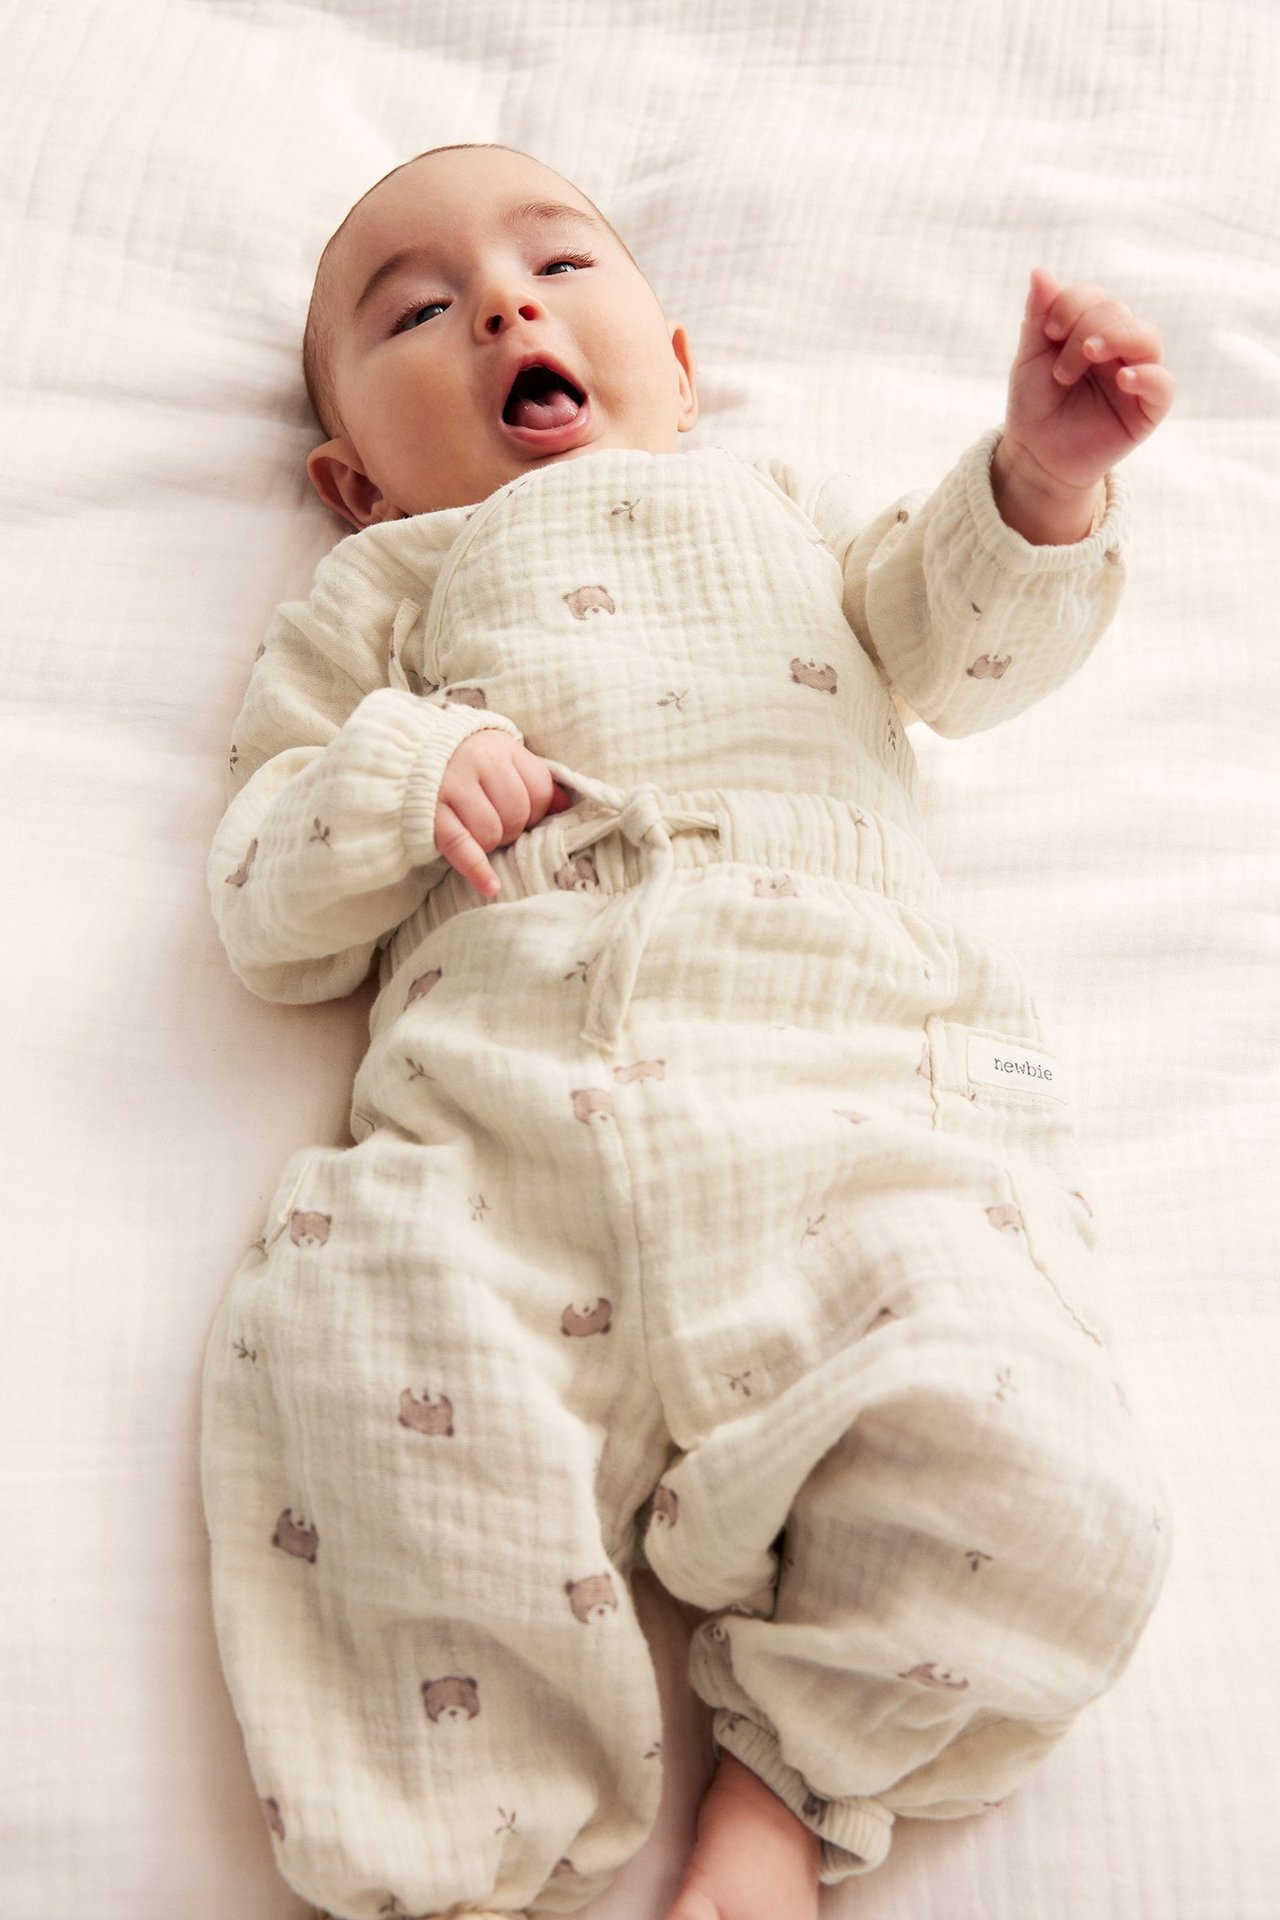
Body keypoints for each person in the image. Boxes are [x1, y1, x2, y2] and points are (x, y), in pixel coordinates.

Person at [199, 140, 1177, 1920]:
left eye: (562, 267)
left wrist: (1033, 484)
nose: (503, 303)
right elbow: (264, 894)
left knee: (1044, 1458)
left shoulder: (779, 510)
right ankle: (462, 1848)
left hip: (849, 1081)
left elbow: (952, 649)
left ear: (681, 363)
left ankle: (790, 1801)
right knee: (343, 1344)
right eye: (417, 311)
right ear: (350, 478)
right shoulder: (384, 596)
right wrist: (405, 774)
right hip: (505, 1116)